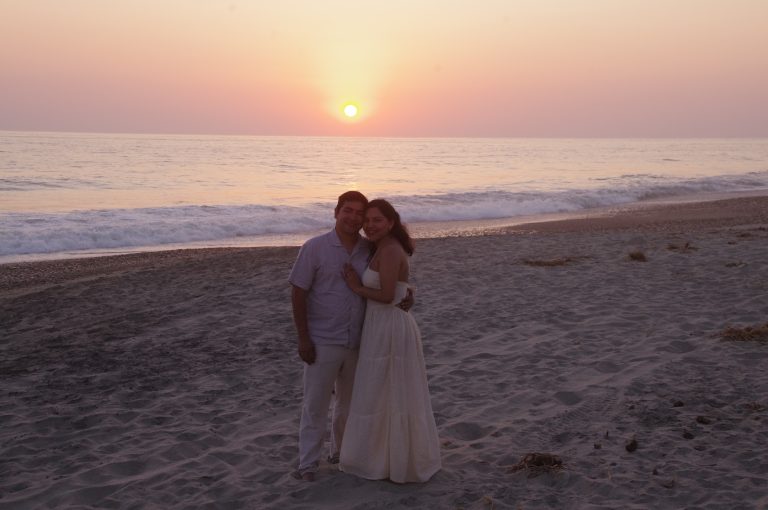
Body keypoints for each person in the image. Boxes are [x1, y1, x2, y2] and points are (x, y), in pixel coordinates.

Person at [288, 191, 412, 482]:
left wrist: (408, 293)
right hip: (323, 339)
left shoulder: (370, 248)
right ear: (336, 212)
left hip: (360, 339)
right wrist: (303, 338)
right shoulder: (314, 247)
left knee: (350, 403)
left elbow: (391, 276)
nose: (354, 218)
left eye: (360, 214)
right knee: (315, 404)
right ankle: (308, 464)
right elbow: (298, 293)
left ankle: (341, 453)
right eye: (348, 211)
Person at [339, 199, 441, 483]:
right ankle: (380, 456)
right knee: (379, 389)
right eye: (367, 220)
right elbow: (397, 285)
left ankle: (393, 459)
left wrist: (355, 286)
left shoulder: (391, 249)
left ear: (391, 223)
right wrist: (408, 290)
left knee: (392, 389)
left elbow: (385, 295)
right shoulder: (379, 247)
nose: (370, 225)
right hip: (379, 325)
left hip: (390, 325)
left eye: (377, 220)